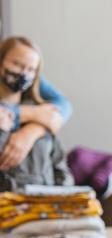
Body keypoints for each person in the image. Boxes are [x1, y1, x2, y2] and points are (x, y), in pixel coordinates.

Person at [0, 36, 73, 190]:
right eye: (16, 64)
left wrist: (33, 128)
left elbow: (61, 172)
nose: (23, 73)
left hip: (45, 207)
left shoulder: (44, 113)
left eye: (30, 69)